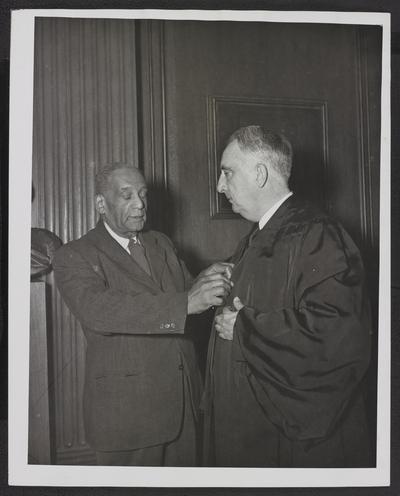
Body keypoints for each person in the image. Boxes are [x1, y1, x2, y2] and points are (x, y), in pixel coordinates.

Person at [202, 125, 372, 467]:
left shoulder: (317, 233)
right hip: (248, 425)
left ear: (260, 174)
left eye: (227, 172)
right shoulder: (260, 234)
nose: (220, 186)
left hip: (286, 437)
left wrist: (246, 329)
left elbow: (338, 335)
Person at [53, 163, 233, 466]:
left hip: (185, 404)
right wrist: (186, 302)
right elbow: (100, 311)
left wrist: (207, 280)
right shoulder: (75, 254)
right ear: (101, 204)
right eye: (127, 196)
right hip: (128, 416)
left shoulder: (160, 242)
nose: (139, 203)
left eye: (143, 194)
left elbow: (187, 294)